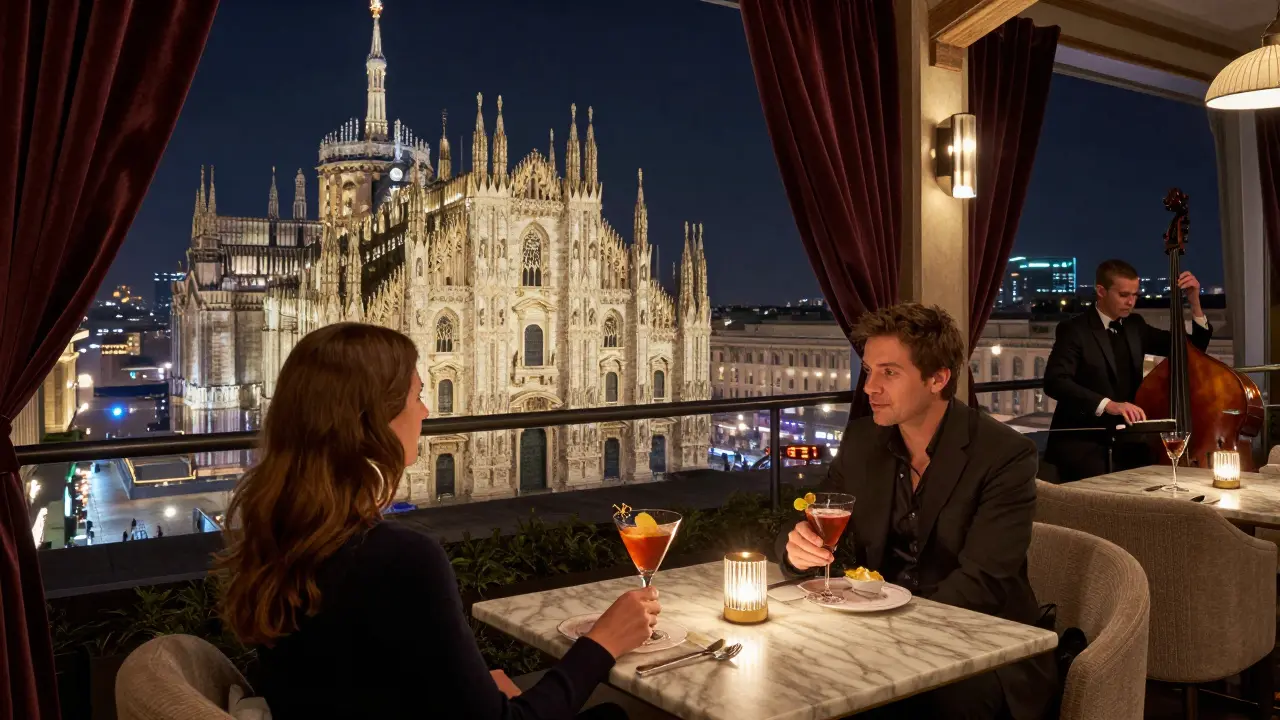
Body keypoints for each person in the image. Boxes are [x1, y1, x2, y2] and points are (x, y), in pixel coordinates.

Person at [216, 323, 654, 719]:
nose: (426, 411)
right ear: (374, 419)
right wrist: (602, 642)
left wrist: (474, 692)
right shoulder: (398, 559)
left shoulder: (280, 536)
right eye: (417, 394)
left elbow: (363, 678)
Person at [776, 303, 1056, 720]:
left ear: (937, 379)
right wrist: (796, 547)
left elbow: (983, 584)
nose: (870, 387)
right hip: (880, 636)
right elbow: (811, 515)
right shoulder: (861, 442)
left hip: (983, 649)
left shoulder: (1004, 455)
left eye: (889, 372)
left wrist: (887, 640)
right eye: (868, 371)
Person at [1043, 259, 1212, 482]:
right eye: (1124, 295)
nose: (1131, 302)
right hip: (1083, 441)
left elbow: (1191, 348)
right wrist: (1108, 405)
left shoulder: (1135, 325)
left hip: (1129, 440)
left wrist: (1194, 303)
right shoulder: (1073, 330)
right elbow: (1055, 382)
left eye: (1135, 295)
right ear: (1101, 291)